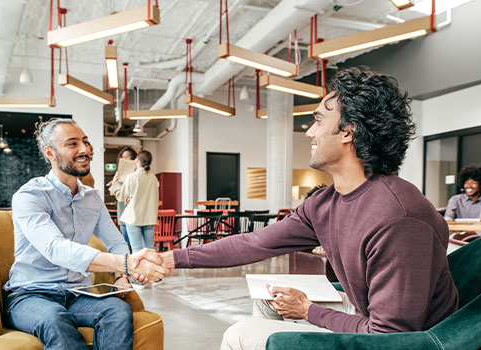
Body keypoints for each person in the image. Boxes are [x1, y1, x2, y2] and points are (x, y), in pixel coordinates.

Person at [159, 67, 459, 349]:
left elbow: (392, 337)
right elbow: (254, 243)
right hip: (370, 316)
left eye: (318, 121)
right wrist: (172, 259)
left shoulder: (397, 217)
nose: (309, 132)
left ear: (347, 132)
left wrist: (308, 311)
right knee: (269, 298)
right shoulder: (324, 203)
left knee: (239, 335)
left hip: (414, 340)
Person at [3, 118, 168, 350]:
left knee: (118, 310)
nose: (85, 150)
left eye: (86, 142)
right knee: (54, 319)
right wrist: (127, 263)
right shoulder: (30, 196)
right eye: (72, 144)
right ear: (50, 153)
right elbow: (56, 249)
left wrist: (122, 276)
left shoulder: (92, 198)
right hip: (31, 295)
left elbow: (116, 242)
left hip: (76, 294)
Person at [119, 150, 160, 268]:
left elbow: (122, 196)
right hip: (149, 218)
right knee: (150, 249)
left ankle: (139, 277)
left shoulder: (132, 177)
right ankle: (153, 273)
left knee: (137, 250)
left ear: (137, 160)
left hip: (134, 218)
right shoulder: (153, 178)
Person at [109, 147, 137, 250]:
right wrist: (114, 182)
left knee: (133, 240)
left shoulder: (136, 172)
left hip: (133, 210)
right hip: (121, 208)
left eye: (127, 157)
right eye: (122, 157)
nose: (124, 159)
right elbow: (113, 192)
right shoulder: (118, 173)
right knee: (125, 237)